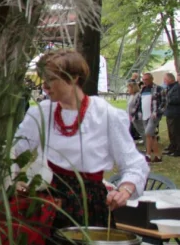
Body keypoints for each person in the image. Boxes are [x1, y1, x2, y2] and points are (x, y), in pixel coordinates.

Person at [15, 50, 148, 227]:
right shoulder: (41, 113)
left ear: (74, 78)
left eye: (51, 80)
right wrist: (13, 179)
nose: (45, 87)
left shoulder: (105, 115)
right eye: (44, 81)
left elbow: (133, 163)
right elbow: (15, 150)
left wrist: (125, 189)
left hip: (90, 205)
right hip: (48, 203)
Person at [131, 72, 165, 163]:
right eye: (143, 80)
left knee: (148, 133)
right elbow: (138, 103)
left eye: (146, 79)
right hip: (144, 115)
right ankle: (158, 156)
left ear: (151, 79)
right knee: (151, 135)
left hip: (153, 115)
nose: (145, 81)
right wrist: (133, 113)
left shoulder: (158, 89)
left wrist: (157, 112)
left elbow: (164, 102)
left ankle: (148, 155)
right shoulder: (143, 89)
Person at [165, 73, 180, 156]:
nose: (164, 81)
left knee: (176, 132)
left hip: (175, 113)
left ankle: (178, 149)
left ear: (171, 79)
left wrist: (167, 99)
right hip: (170, 113)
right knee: (171, 132)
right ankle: (172, 147)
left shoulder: (177, 88)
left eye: (165, 79)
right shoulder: (170, 87)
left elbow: (177, 99)